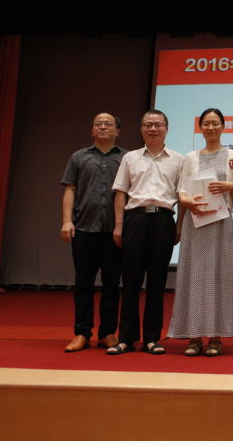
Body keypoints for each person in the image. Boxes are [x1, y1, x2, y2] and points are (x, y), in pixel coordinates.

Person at [167, 108, 233, 357]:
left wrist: (229, 186)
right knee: (194, 276)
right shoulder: (190, 157)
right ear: (200, 128)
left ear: (223, 126)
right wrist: (185, 201)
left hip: (221, 222)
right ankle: (194, 337)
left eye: (215, 123)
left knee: (219, 276)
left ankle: (216, 337)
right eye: (206, 124)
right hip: (196, 221)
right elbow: (181, 189)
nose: (211, 128)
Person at [107, 109, 184, 355]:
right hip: (135, 220)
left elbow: (182, 196)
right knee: (130, 281)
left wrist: (179, 227)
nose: (153, 129)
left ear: (166, 128)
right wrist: (119, 225)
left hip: (163, 220)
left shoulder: (178, 159)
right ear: (141, 129)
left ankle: (152, 338)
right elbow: (121, 193)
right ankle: (126, 338)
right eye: (148, 125)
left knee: (157, 282)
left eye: (158, 124)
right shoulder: (130, 158)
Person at [60, 112, 126, 352]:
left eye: (108, 124)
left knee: (112, 285)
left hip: (114, 231)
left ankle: (108, 332)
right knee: (83, 284)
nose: (103, 127)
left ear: (117, 131)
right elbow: (69, 189)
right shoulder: (79, 157)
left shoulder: (127, 158)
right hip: (84, 229)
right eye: (98, 123)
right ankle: (82, 333)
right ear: (92, 130)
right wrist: (66, 221)